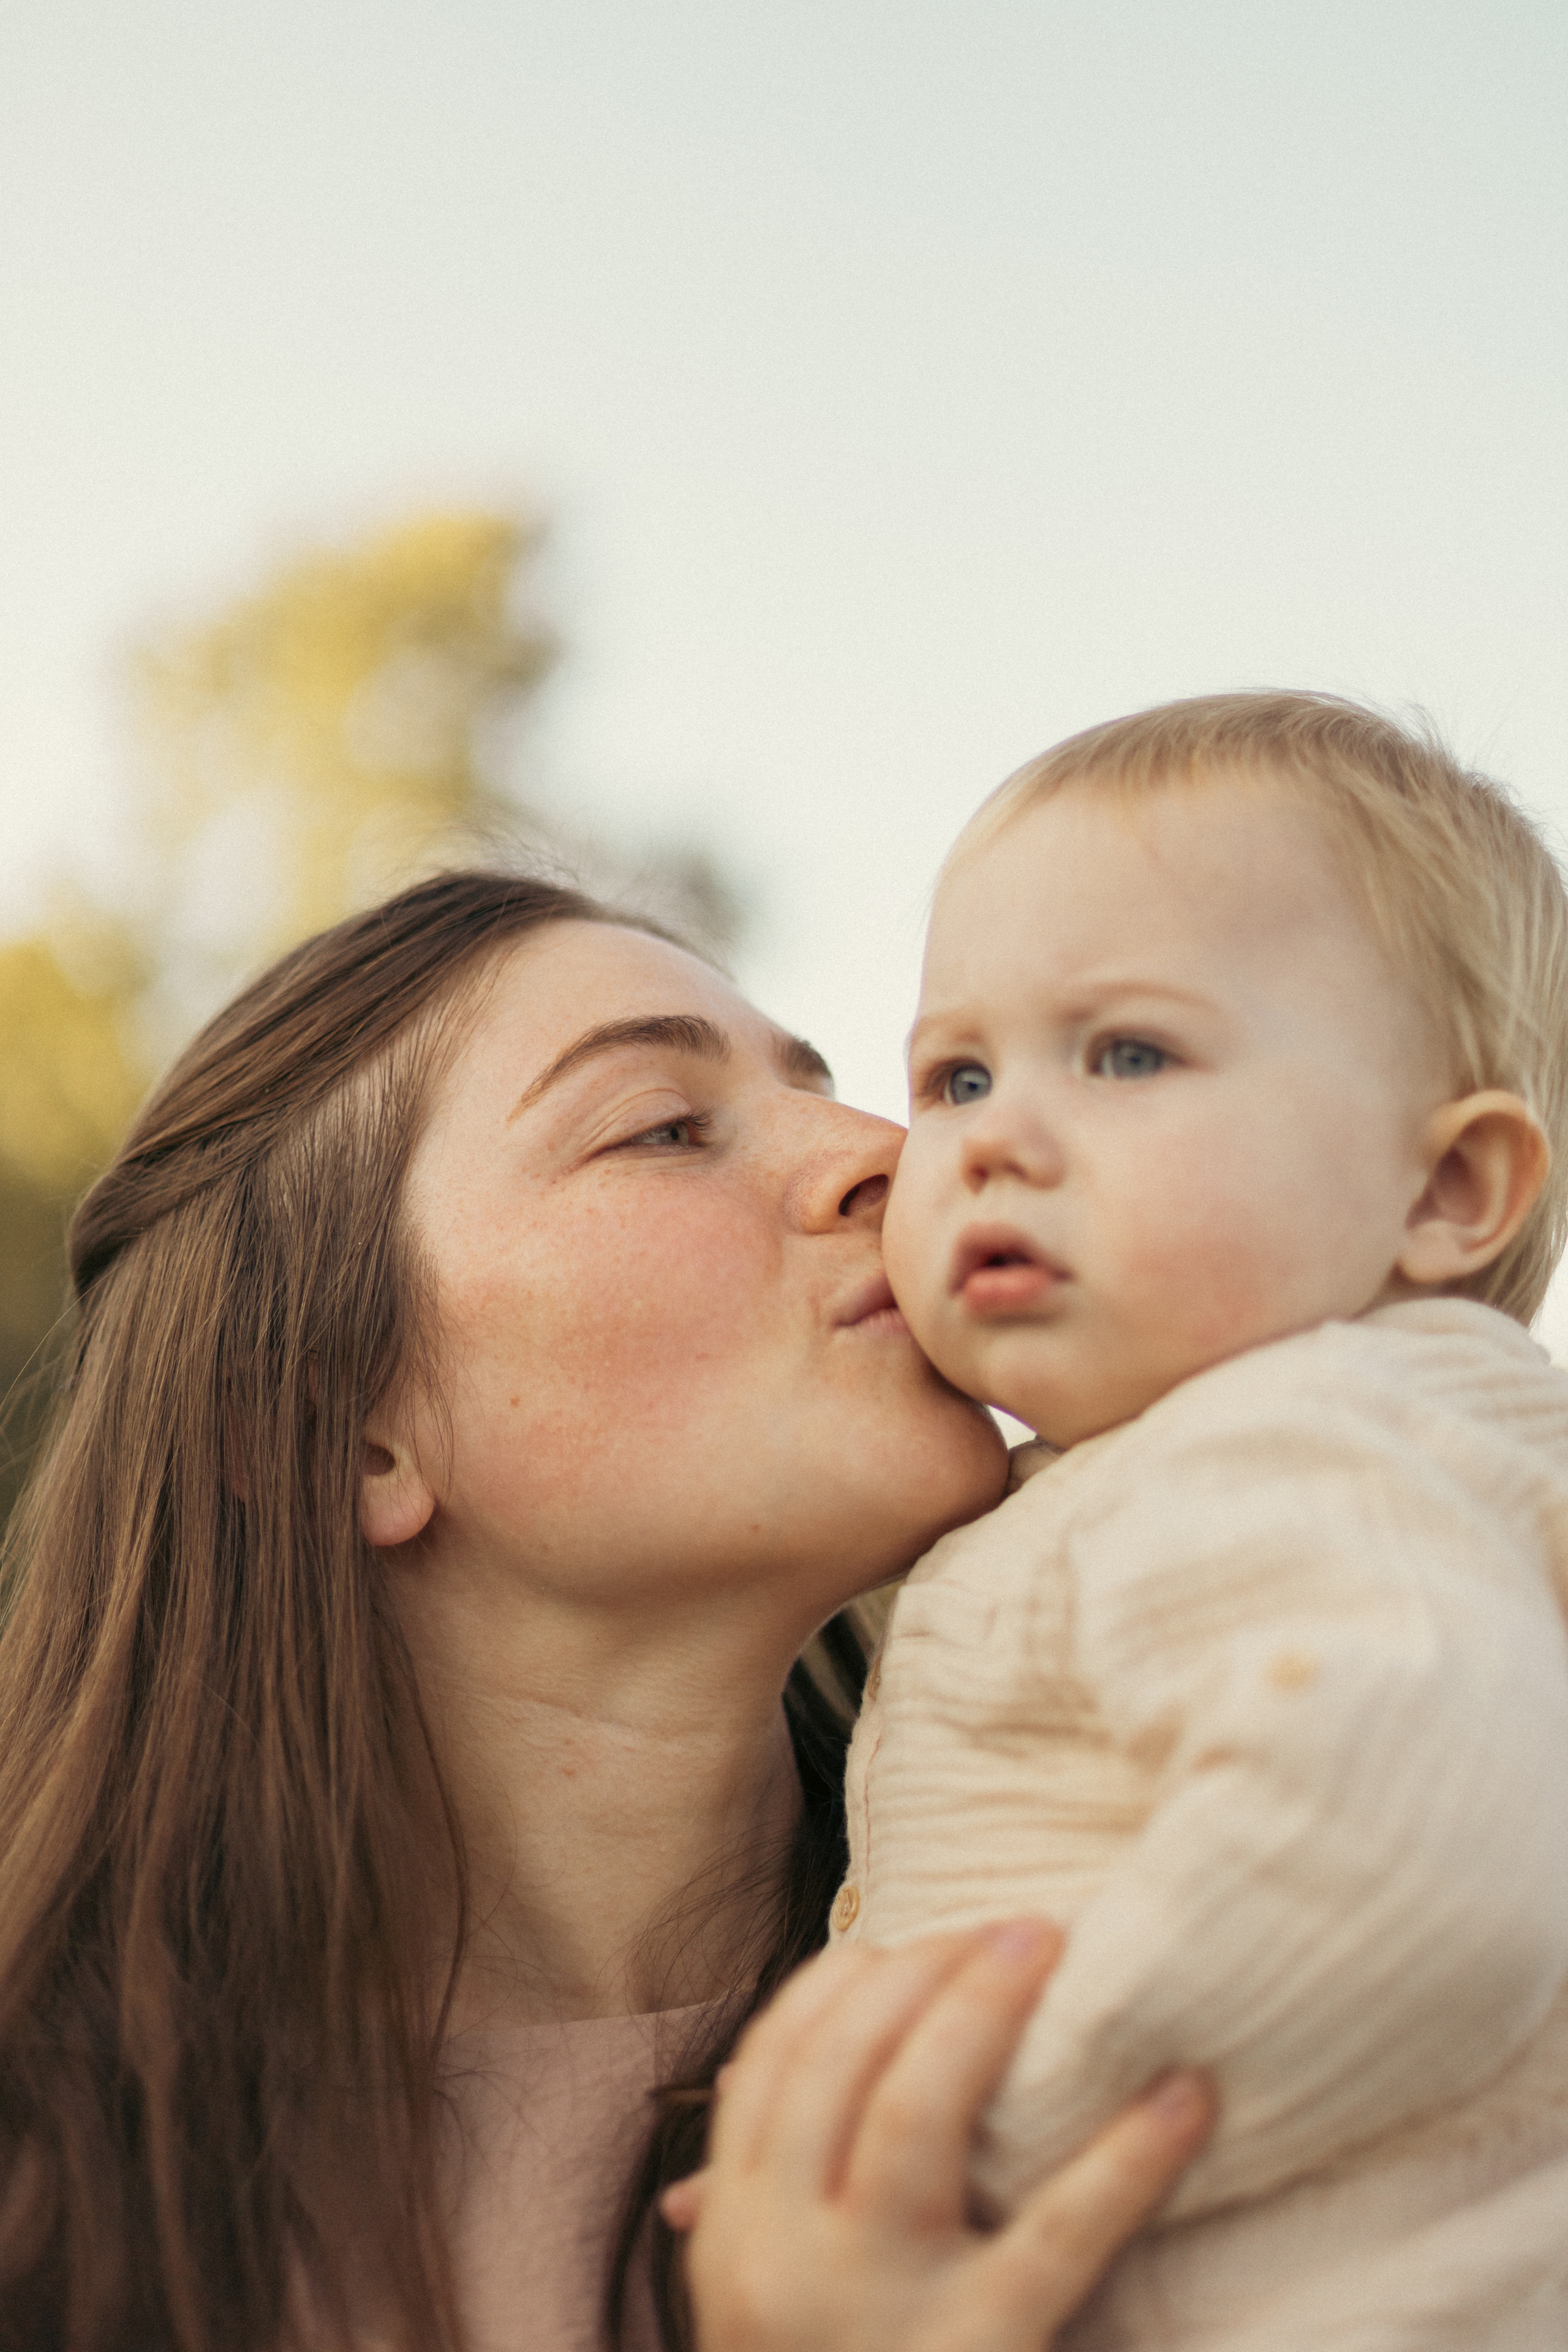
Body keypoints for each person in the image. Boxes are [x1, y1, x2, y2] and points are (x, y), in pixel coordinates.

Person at [0, 869, 1210, 2352]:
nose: (892, 1154)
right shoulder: (49, 2209)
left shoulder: (1207, 1928)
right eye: (663, 1128)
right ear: (341, 1431)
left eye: (830, 1088)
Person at [830, 692, 1568, 2347]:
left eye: (1130, 1054)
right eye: (955, 1072)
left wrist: (957, 2152)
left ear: (1445, 1191)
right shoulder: (1188, 1478)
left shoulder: (1293, 1447)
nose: (995, 1138)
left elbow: (1404, 1862)